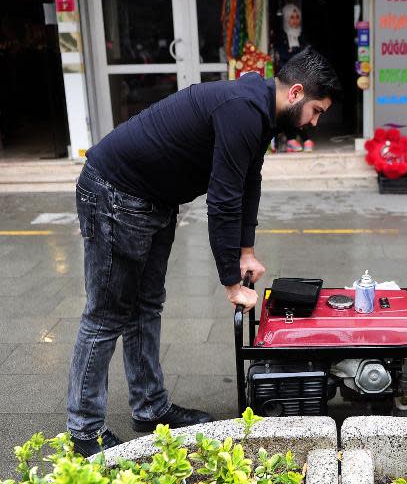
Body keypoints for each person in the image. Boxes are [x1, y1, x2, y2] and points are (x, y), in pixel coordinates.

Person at [67, 47, 342, 456]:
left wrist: (246, 251)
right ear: (297, 93)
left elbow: (249, 181)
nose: (315, 123)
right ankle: (84, 431)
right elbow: (223, 200)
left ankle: (149, 406)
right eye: (316, 111)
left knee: (146, 305)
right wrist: (231, 280)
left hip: (152, 198)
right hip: (115, 192)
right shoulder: (244, 110)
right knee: (107, 315)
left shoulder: (262, 110)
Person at [275, 4, 314, 152]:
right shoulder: (281, 37)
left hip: (302, 79)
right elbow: (284, 55)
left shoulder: (302, 36)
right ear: (286, 19)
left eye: (297, 17)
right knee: (288, 110)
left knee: (302, 109)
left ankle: (305, 139)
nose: (295, 20)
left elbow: (308, 55)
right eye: (292, 17)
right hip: (287, 81)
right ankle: (293, 139)